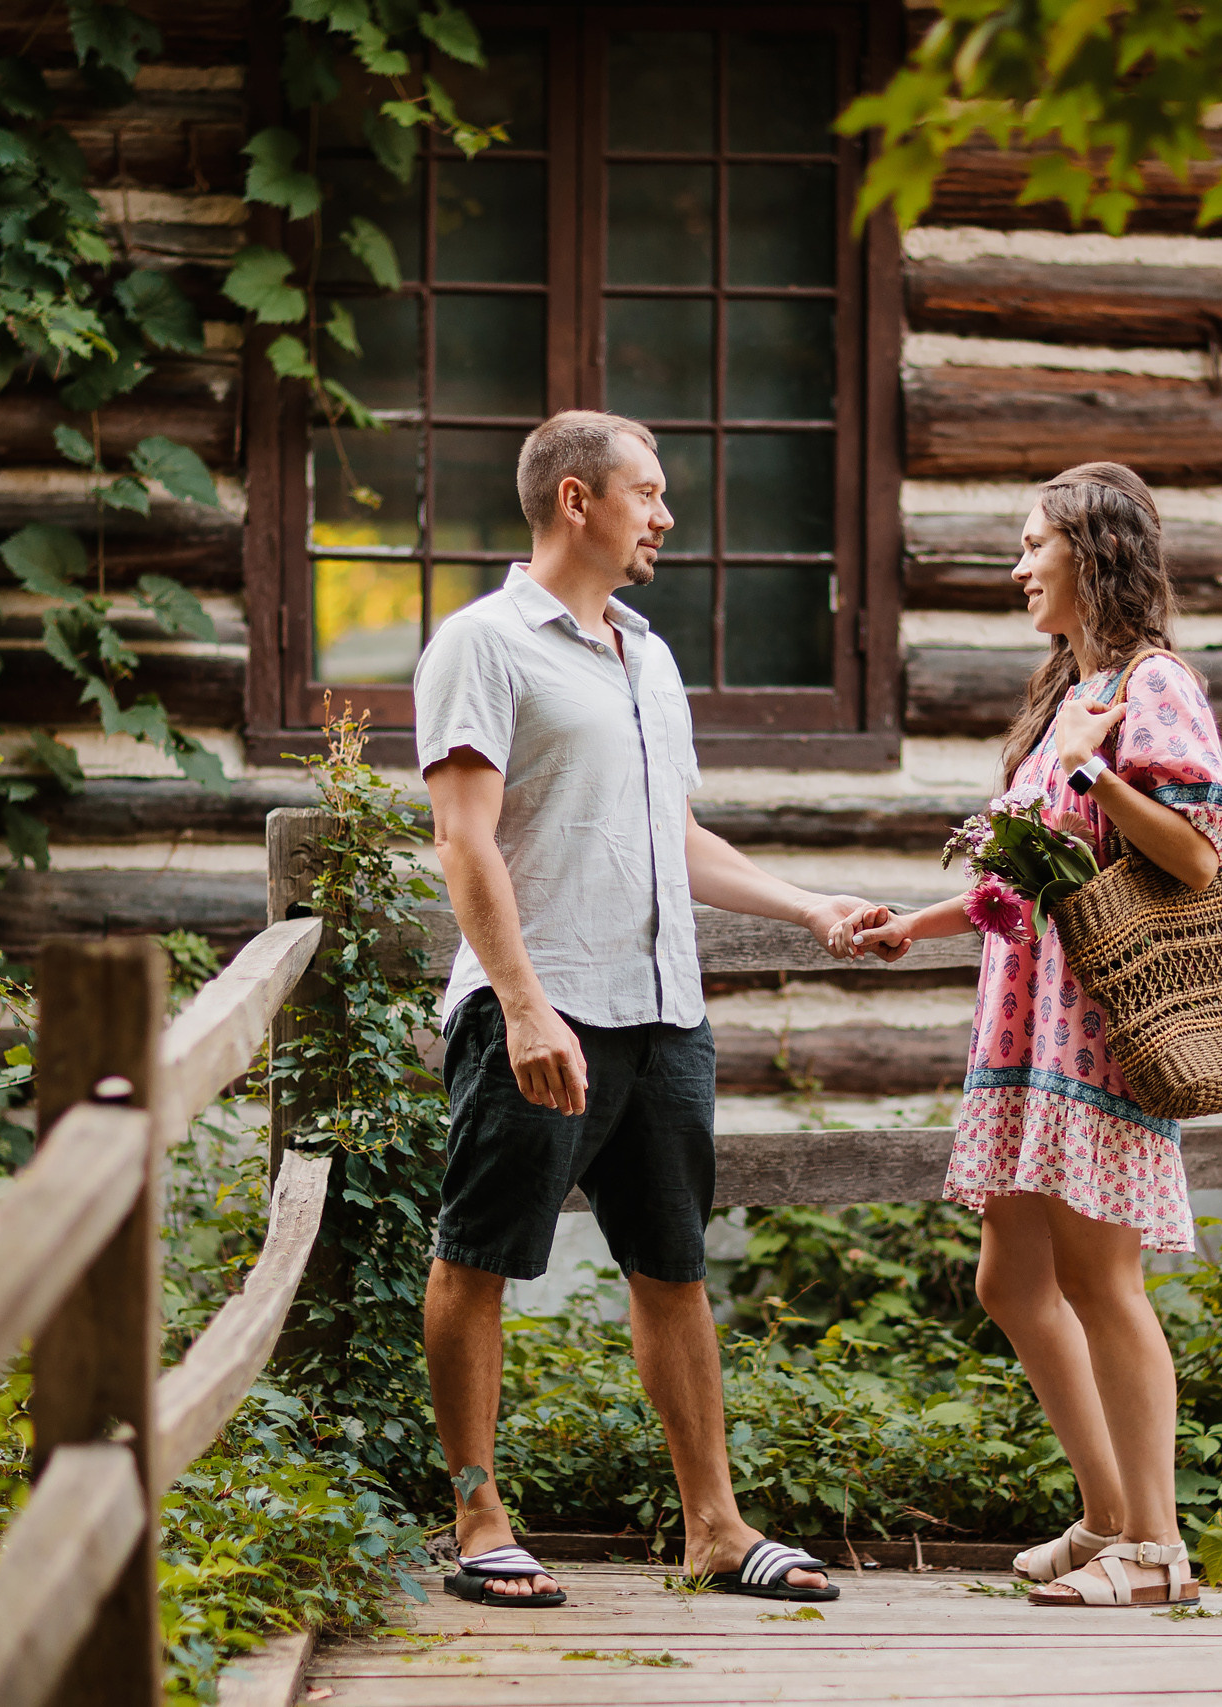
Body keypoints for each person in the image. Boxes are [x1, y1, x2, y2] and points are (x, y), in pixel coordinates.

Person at [416, 409, 875, 1609]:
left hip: (666, 1013)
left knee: (671, 1268)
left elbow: (674, 835)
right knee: (477, 1257)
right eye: (648, 493)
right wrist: (523, 1007)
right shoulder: (483, 645)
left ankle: (715, 1529)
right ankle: (478, 1518)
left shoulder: (646, 657)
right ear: (577, 500)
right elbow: (464, 841)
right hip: (539, 1009)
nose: (666, 516)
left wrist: (809, 907)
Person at [852, 463, 1222, 1608]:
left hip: (1096, 1031)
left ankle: (1156, 1550)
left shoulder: (1151, 684)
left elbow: (1201, 854)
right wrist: (914, 924)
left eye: (1033, 545)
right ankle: (1109, 1515)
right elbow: (1025, 872)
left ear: (1093, 550)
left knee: (1100, 1278)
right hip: (1028, 1027)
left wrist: (1088, 770)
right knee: (1011, 1278)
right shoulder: (1073, 688)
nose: (1017, 567)